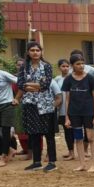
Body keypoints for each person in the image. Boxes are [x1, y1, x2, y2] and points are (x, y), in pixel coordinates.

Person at [16, 42, 58, 173]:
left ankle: (52, 162)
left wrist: (29, 86)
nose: (35, 52)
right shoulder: (24, 67)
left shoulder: (47, 66)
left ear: (41, 52)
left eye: (37, 50)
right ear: (28, 52)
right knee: (33, 134)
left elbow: (46, 85)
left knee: (48, 134)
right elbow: (20, 84)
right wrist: (36, 86)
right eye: (32, 50)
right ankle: (36, 162)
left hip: (46, 105)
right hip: (30, 104)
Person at [61, 54, 94, 172]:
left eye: (83, 63)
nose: (81, 66)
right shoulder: (68, 79)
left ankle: (93, 165)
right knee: (78, 138)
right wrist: (67, 117)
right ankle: (82, 164)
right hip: (74, 113)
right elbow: (67, 99)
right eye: (78, 64)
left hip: (88, 113)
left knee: (91, 138)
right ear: (72, 65)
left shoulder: (91, 79)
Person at [52, 59, 74, 160]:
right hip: (62, 110)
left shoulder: (73, 78)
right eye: (63, 66)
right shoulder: (57, 79)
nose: (65, 68)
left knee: (74, 131)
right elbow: (55, 93)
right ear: (59, 67)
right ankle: (70, 151)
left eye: (67, 66)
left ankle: (81, 152)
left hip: (73, 108)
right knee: (67, 131)